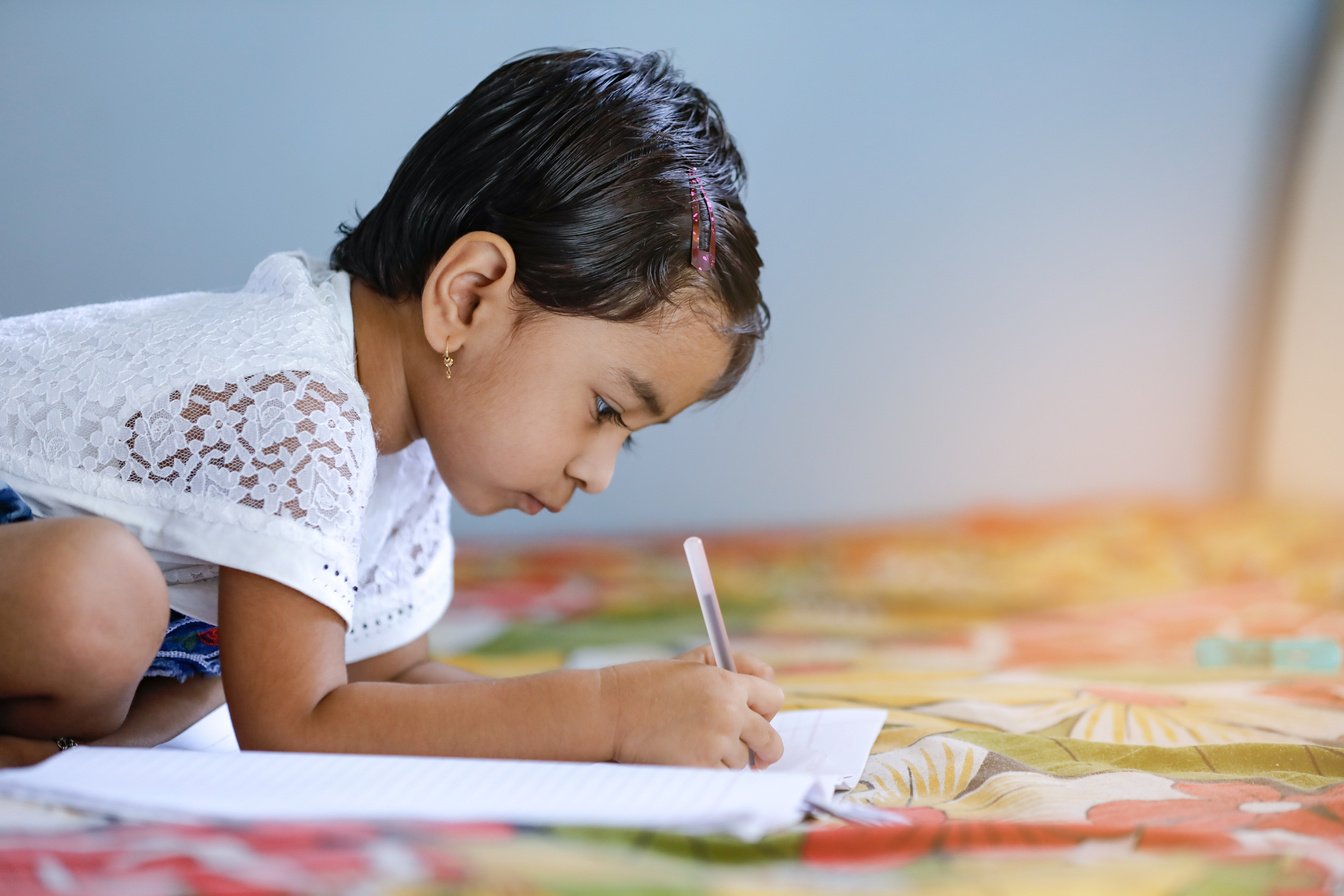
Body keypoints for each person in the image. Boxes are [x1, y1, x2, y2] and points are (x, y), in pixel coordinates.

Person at [0, 49, 783, 769]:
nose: (599, 473)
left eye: (629, 437)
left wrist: (641, 710)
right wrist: (606, 715)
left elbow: (391, 682)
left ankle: (59, 746)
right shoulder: (303, 406)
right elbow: (297, 725)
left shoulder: (410, 441)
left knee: (201, 678)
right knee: (93, 596)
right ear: (467, 298)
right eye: (606, 408)